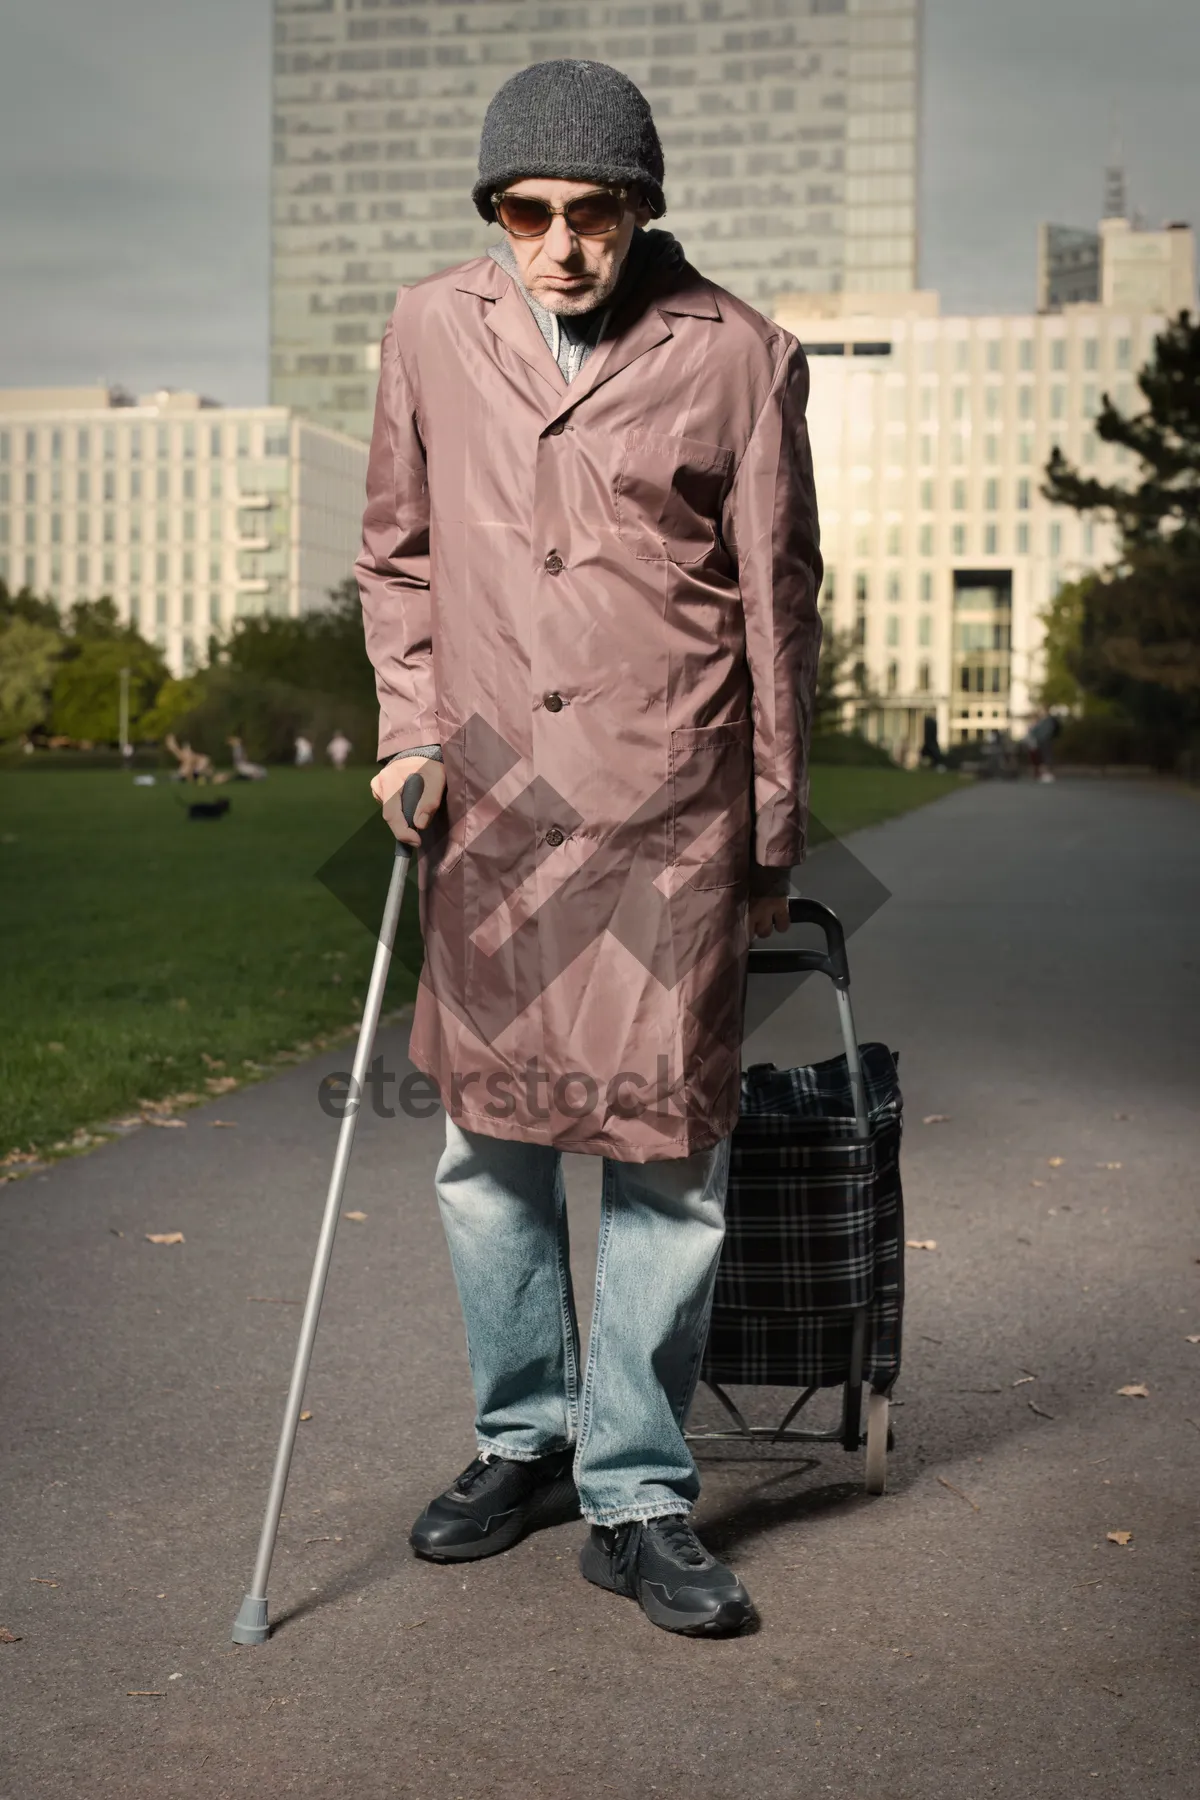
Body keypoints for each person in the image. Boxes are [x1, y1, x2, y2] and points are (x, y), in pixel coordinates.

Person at [358, 59, 822, 1638]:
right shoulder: (430, 326)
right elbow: (395, 553)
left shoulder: (741, 355)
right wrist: (407, 727)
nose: (559, 245)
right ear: (493, 211)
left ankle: (634, 1489)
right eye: (527, 212)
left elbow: (779, 604)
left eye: (593, 211)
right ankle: (525, 1438)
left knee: (664, 1168)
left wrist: (770, 825)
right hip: (489, 809)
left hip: (665, 811)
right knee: (486, 1150)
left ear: (643, 207)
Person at [1023, 712, 1060, 783]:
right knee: (1041, 758)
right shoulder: (1042, 722)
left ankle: (1045, 774)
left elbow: (1035, 733)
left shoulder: (1045, 722)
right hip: (1038, 743)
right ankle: (1042, 774)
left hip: (1040, 742)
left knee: (1043, 758)